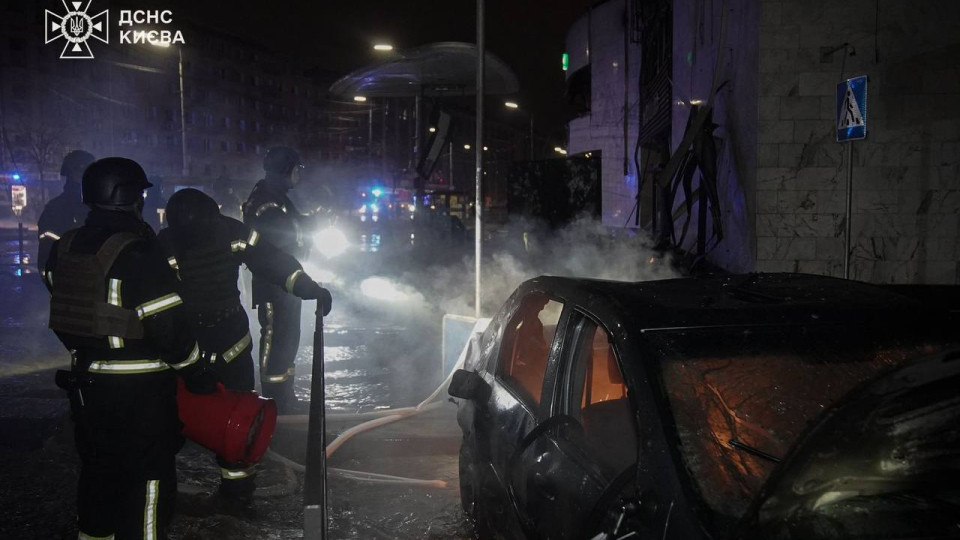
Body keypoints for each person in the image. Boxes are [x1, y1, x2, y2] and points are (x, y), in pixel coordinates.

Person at [44, 157, 218, 540]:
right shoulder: (139, 253)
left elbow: (64, 302)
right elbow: (170, 330)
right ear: (129, 198)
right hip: (140, 392)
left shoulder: (66, 247)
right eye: (140, 194)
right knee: (150, 480)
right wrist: (197, 372)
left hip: (86, 386)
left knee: (99, 471)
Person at [157, 188, 331, 501]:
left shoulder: (218, 234)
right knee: (172, 421)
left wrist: (307, 286)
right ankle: (172, 489)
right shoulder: (168, 245)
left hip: (217, 342)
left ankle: (235, 491)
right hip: (192, 342)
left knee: (239, 419)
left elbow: (272, 260)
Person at [242, 146, 315, 412]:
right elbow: (274, 246)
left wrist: (309, 223)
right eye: (297, 169)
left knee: (288, 338)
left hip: (287, 281)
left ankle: (285, 396)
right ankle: (274, 398)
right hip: (275, 283)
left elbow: (289, 228)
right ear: (286, 170)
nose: (300, 174)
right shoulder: (267, 202)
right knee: (276, 338)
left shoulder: (276, 198)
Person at [36, 150, 96, 271]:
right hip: (70, 281)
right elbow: (47, 256)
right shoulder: (56, 209)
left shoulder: (99, 205)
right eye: (79, 172)